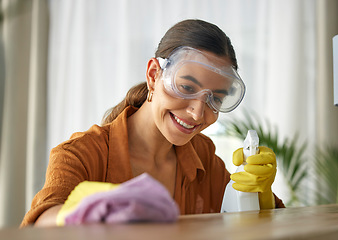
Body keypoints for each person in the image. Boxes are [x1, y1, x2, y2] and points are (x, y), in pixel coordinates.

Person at [20, 19, 284, 227]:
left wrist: (260, 197)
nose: (196, 112)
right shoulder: (82, 154)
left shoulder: (203, 156)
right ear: (154, 75)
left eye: (215, 98)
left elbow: (263, 225)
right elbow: (43, 223)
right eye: (186, 87)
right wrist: (87, 215)